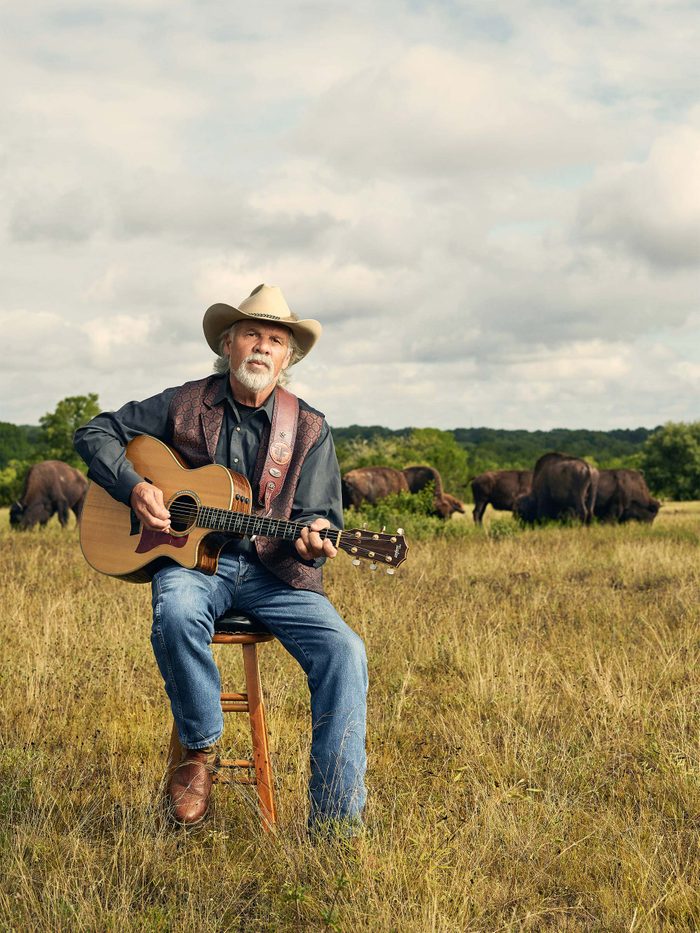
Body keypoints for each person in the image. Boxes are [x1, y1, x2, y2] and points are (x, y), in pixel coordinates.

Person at [74, 284, 367, 834]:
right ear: (227, 345)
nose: (262, 347)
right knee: (177, 611)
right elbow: (94, 432)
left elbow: (321, 516)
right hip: (193, 567)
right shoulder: (184, 402)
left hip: (276, 574)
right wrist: (135, 487)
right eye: (251, 334)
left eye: (275, 340)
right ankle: (201, 749)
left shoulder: (307, 427)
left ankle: (336, 827)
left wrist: (316, 537)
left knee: (346, 652)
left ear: (288, 357)